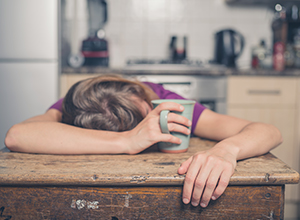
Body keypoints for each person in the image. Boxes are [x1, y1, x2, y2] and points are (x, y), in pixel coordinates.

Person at [5, 74, 282, 208]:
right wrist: (127, 142)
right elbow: (17, 135)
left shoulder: (162, 100)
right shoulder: (82, 102)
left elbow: (269, 131)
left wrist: (226, 150)